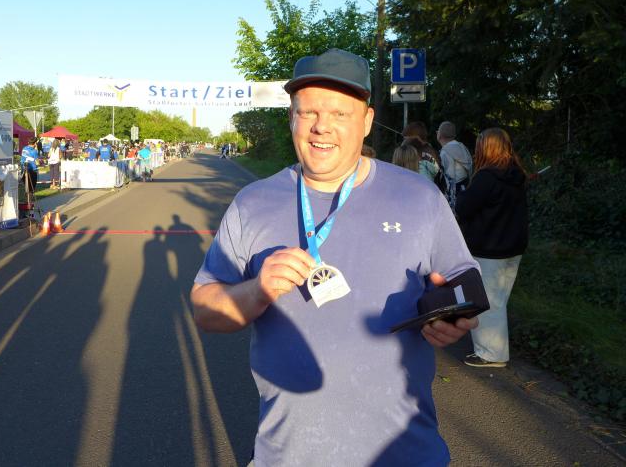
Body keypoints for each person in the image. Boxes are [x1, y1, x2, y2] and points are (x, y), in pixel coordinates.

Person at [191, 48, 479, 466]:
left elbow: (462, 277)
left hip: (405, 453)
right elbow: (205, 310)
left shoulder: (418, 197)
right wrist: (256, 291)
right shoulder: (253, 203)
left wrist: (450, 317)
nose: (321, 126)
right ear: (291, 117)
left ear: (366, 120)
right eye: (308, 112)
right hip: (288, 456)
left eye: (339, 114)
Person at [456, 127, 528, 368]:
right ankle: (495, 350)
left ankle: (491, 354)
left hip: (489, 247)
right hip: (513, 247)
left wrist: (462, 196)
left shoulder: (486, 177)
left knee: (486, 302)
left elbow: (464, 207)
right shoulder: (517, 175)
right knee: (499, 300)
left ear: (485, 148)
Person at [437, 121, 473, 208]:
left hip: (456, 193)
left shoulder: (446, 152)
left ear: (440, 135)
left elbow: (449, 179)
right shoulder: (462, 147)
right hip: (465, 188)